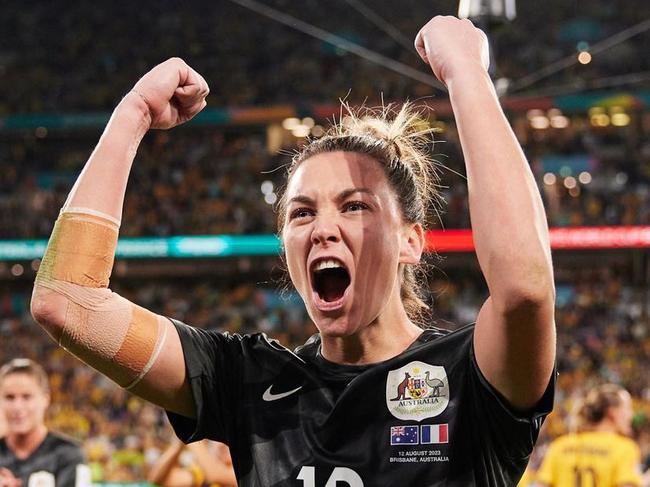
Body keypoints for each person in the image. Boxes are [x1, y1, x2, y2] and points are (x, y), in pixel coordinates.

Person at [30, 15, 556, 486]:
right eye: (302, 212)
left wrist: (467, 74)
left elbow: (526, 290)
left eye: (354, 206)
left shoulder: (470, 374)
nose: (322, 228)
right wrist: (132, 115)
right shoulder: (247, 380)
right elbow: (67, 299)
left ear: (411, 241)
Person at [0, 358, 91, 487]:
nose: (17, 407)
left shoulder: (68, 455)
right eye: (9, 397)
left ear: (45, 399)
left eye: (27, 397)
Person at [536, 384, 642, 487]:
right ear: (612, 412)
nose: (631, 415)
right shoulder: (624, 449)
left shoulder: (559, 446)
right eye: (628, 408)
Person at [147, 438, 237, 487]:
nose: (222, 445)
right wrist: (178, 446)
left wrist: (192, 436)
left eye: (228, 439)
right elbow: (158, 480)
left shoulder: (245, 473)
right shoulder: (201, 473)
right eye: (218, 440)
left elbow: (215, 475)